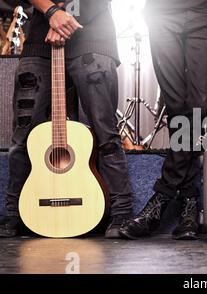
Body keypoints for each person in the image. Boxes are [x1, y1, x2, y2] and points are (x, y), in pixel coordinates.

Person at [0, 0, 133, 239]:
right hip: (40, 38)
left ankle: (122, 212)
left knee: (105, 133)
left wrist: (62, 16)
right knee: (22, 136)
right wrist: (51, 12)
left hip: (92, 33)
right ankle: (14, 213)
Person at [118, 0, 207, 240]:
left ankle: (162, 195)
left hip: (203, 12)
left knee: (199, 106)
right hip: (162, 12)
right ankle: (189, 204)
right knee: (176, 107)